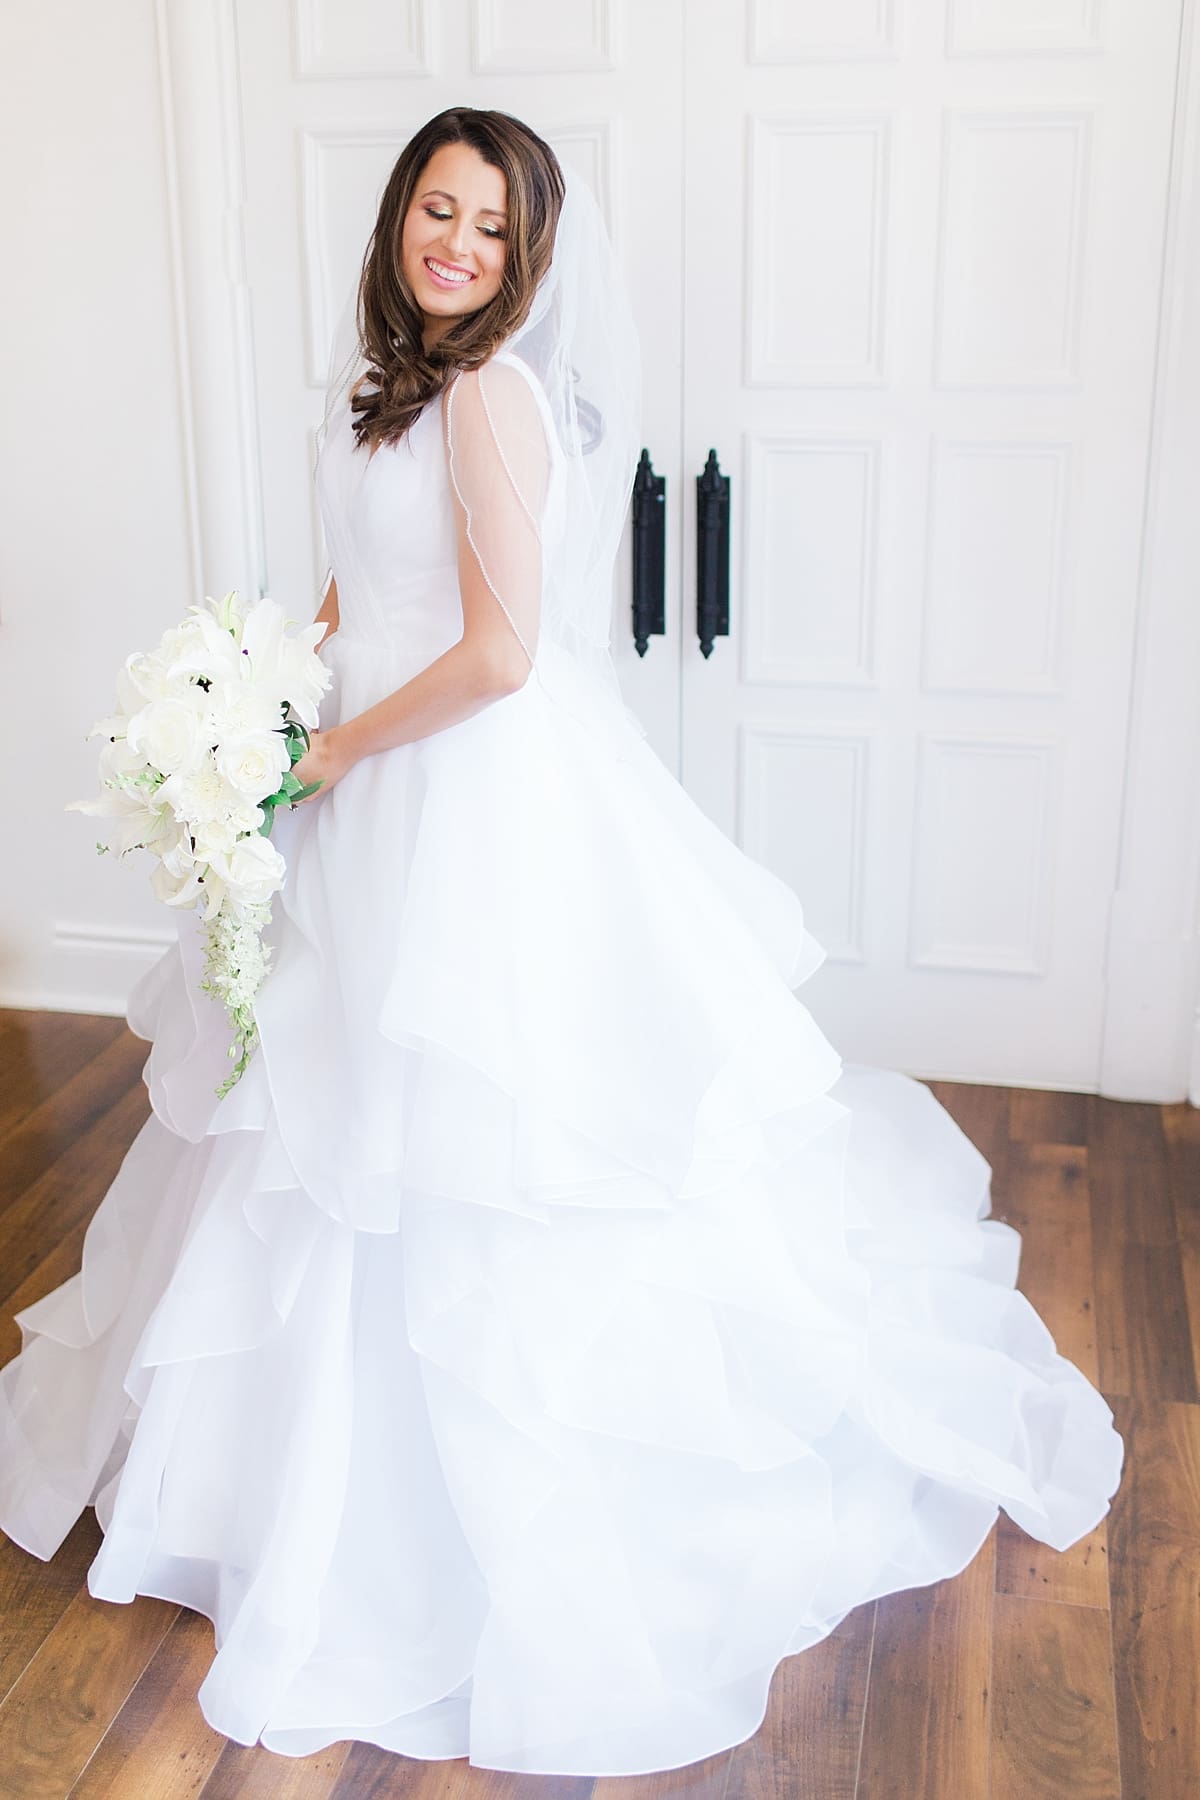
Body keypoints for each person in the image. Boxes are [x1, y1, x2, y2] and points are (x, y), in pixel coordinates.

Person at [0, 106, 1123, 1776]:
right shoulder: (386, 391)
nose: (455, 244)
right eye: (435, 211)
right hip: (361, 783)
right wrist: (253, 710)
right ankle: (280, 1489)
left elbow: (506, 655)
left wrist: (329, 755)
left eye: (492, 229)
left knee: (472, 1135)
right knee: (304, 1129)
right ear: (397, 220)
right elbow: (347, 598)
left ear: (531, 260)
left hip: (467, 805)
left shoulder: (492, 399)